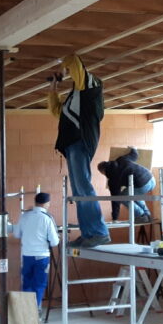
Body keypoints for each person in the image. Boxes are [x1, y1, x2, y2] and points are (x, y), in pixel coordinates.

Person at [48, 54, 110, 248]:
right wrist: (54, 86)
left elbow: (75, 61)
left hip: (80, 141)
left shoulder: (88, 91)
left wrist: (63, 66)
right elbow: (55, 110)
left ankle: (99, 232)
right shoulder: (74, 99)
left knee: (83, 188)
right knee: (78, 191)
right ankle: (88, 233)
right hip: (71, 144)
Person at [12, 192, 59, 309]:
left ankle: (26, 313)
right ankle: (35, 312)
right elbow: (54, 242)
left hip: (27, 256)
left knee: (27, 283)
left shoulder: (24, 216)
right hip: (42, 257)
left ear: (35, 202)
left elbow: (16, 234)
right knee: (39, 285)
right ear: (46, 203)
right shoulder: (47, 218)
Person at [97, 147, 156, 223]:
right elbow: (134, 155)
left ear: (103, 172)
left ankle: (141, 215)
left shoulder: (112, 180)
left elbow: (115, 200)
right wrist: (133, 149)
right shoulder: (121, 159)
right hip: (151, 179)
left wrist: (115, 218)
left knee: (123, 197)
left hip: (142, 185)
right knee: (134, 194)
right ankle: (147, 214)